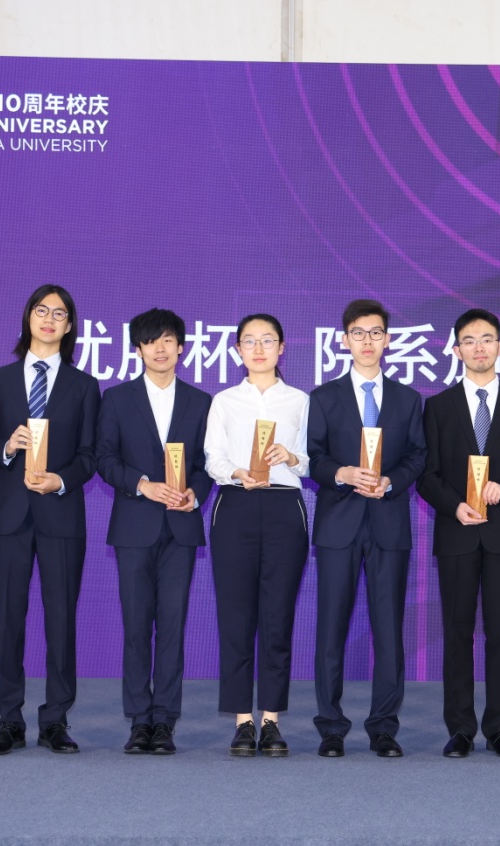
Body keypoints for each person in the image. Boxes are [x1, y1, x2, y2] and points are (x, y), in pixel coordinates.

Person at [0, 284, 100, 755]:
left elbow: (90, 456)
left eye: (59, 313)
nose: (49, 319)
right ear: (28, 318)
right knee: (9, 618)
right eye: (41, 310)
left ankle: (55, 720)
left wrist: (60, 480)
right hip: (8, 516)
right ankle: (9, 720)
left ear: (69, 326)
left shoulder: (84, 386)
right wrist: (7, 446)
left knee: (61, 619)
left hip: (60, 514)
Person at [417, 308, 500, 759]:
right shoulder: (438, 406)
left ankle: (498, 727)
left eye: (487, 339)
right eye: (470, 341)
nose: (479, 347)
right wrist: (454, 505)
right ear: (456, 350)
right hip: (457, 532)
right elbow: (427, 474)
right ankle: (459, 728)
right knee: (457, 633)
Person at [308, 299, 427, 758]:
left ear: (388, 340)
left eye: (376, 333)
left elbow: (418, 455)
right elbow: (314, 456)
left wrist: (391, 481)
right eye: (358, 333)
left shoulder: (407, 399)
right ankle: (331, 728)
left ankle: (383, 727)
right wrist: (341, 473)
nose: (367, 341)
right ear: (345, 341)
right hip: (338, 524)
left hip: (388, 523)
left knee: (389, 630)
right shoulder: (324, 397)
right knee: (330, 629)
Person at [95, 308, 212, 755]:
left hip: (180, 527)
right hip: (134, 526)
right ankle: (138, 720)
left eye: (167, 340)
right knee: (135, 626)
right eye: (150, 341)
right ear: (138, 349)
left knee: (173, 626)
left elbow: (206, 463)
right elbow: (104, 458)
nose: (159, 349)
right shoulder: (116, 399)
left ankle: (165, 720)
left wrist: (195, 494)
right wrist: (142, 484)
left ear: (181, 347)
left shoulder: (201, 402)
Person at [204, 313, 310, 757]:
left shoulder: (300, 401)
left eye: (268, 340)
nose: (259, 348)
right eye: (250, 341)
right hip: (236, 506)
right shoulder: (224, 401)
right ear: (238, 351)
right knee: (236, 617)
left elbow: (312, 458)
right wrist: (236, 472)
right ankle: (242, 721)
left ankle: (271, 720)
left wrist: (292, 457)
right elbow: (212, 457)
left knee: (277, 617)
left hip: (285, 507)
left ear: (282, 347)